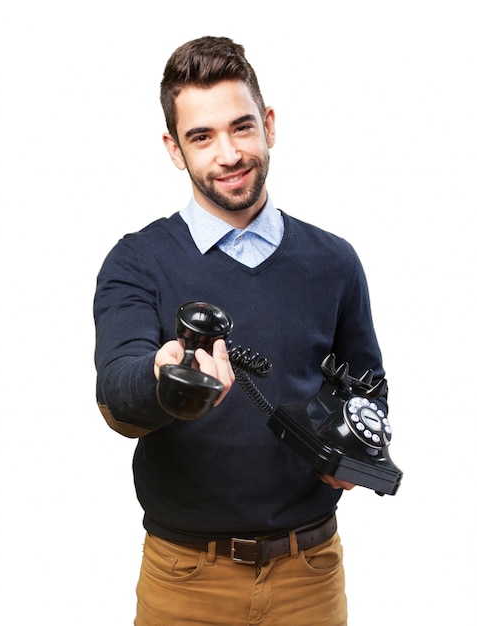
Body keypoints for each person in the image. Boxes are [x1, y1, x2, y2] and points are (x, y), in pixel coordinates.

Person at [93, 35, 386, 626]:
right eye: (202, 137)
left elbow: (369, 388)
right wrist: (167, 380)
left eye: (241, 127)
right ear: (175, 150)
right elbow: (117, 392)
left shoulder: (335, 261)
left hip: (311, 573)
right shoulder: (135, 261)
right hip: (186, 580)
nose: (228, 154)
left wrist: (355, 456)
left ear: (269, 125)